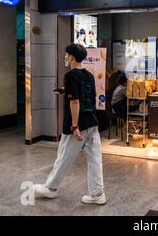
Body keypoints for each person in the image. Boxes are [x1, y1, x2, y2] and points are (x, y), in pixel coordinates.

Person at [34, 43, 106, 205]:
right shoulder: (89, 74)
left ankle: (51, 188)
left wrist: (74, 127)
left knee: (63, 157)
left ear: (72, 57)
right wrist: (64, 89)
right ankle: (97, 194)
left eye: (66, 54)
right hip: (92, 122)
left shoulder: (71, 75)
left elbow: (75, 102)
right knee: (95, 160)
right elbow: (87, 93)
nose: (65, 57)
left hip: (77, 125)